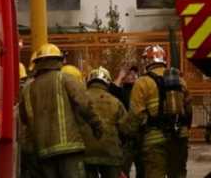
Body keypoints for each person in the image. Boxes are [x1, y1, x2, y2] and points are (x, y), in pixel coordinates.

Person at [21, 43, 104, 178]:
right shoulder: (65, 79)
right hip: (70, 149)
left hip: (43, 152)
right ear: (58, 60)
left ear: (38, 63)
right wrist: (96, 125)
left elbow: (25, 119)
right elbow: (83, 103)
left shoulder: (28, 89)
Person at [128, 45, 192, 178]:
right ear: (164, 59)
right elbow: (188, 110)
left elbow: (136, 116)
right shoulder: (180, 80)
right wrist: (184, 130)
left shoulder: (142, 83)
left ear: (146, 61)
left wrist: (132, 138)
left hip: (154, 140)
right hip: (179, 137)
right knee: (179, 174)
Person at [82, 66, 129, 178]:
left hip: (86, 153)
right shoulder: (115, 102)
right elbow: (126, 128)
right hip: (111, 153)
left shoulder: (81, 99)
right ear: (107, 82)